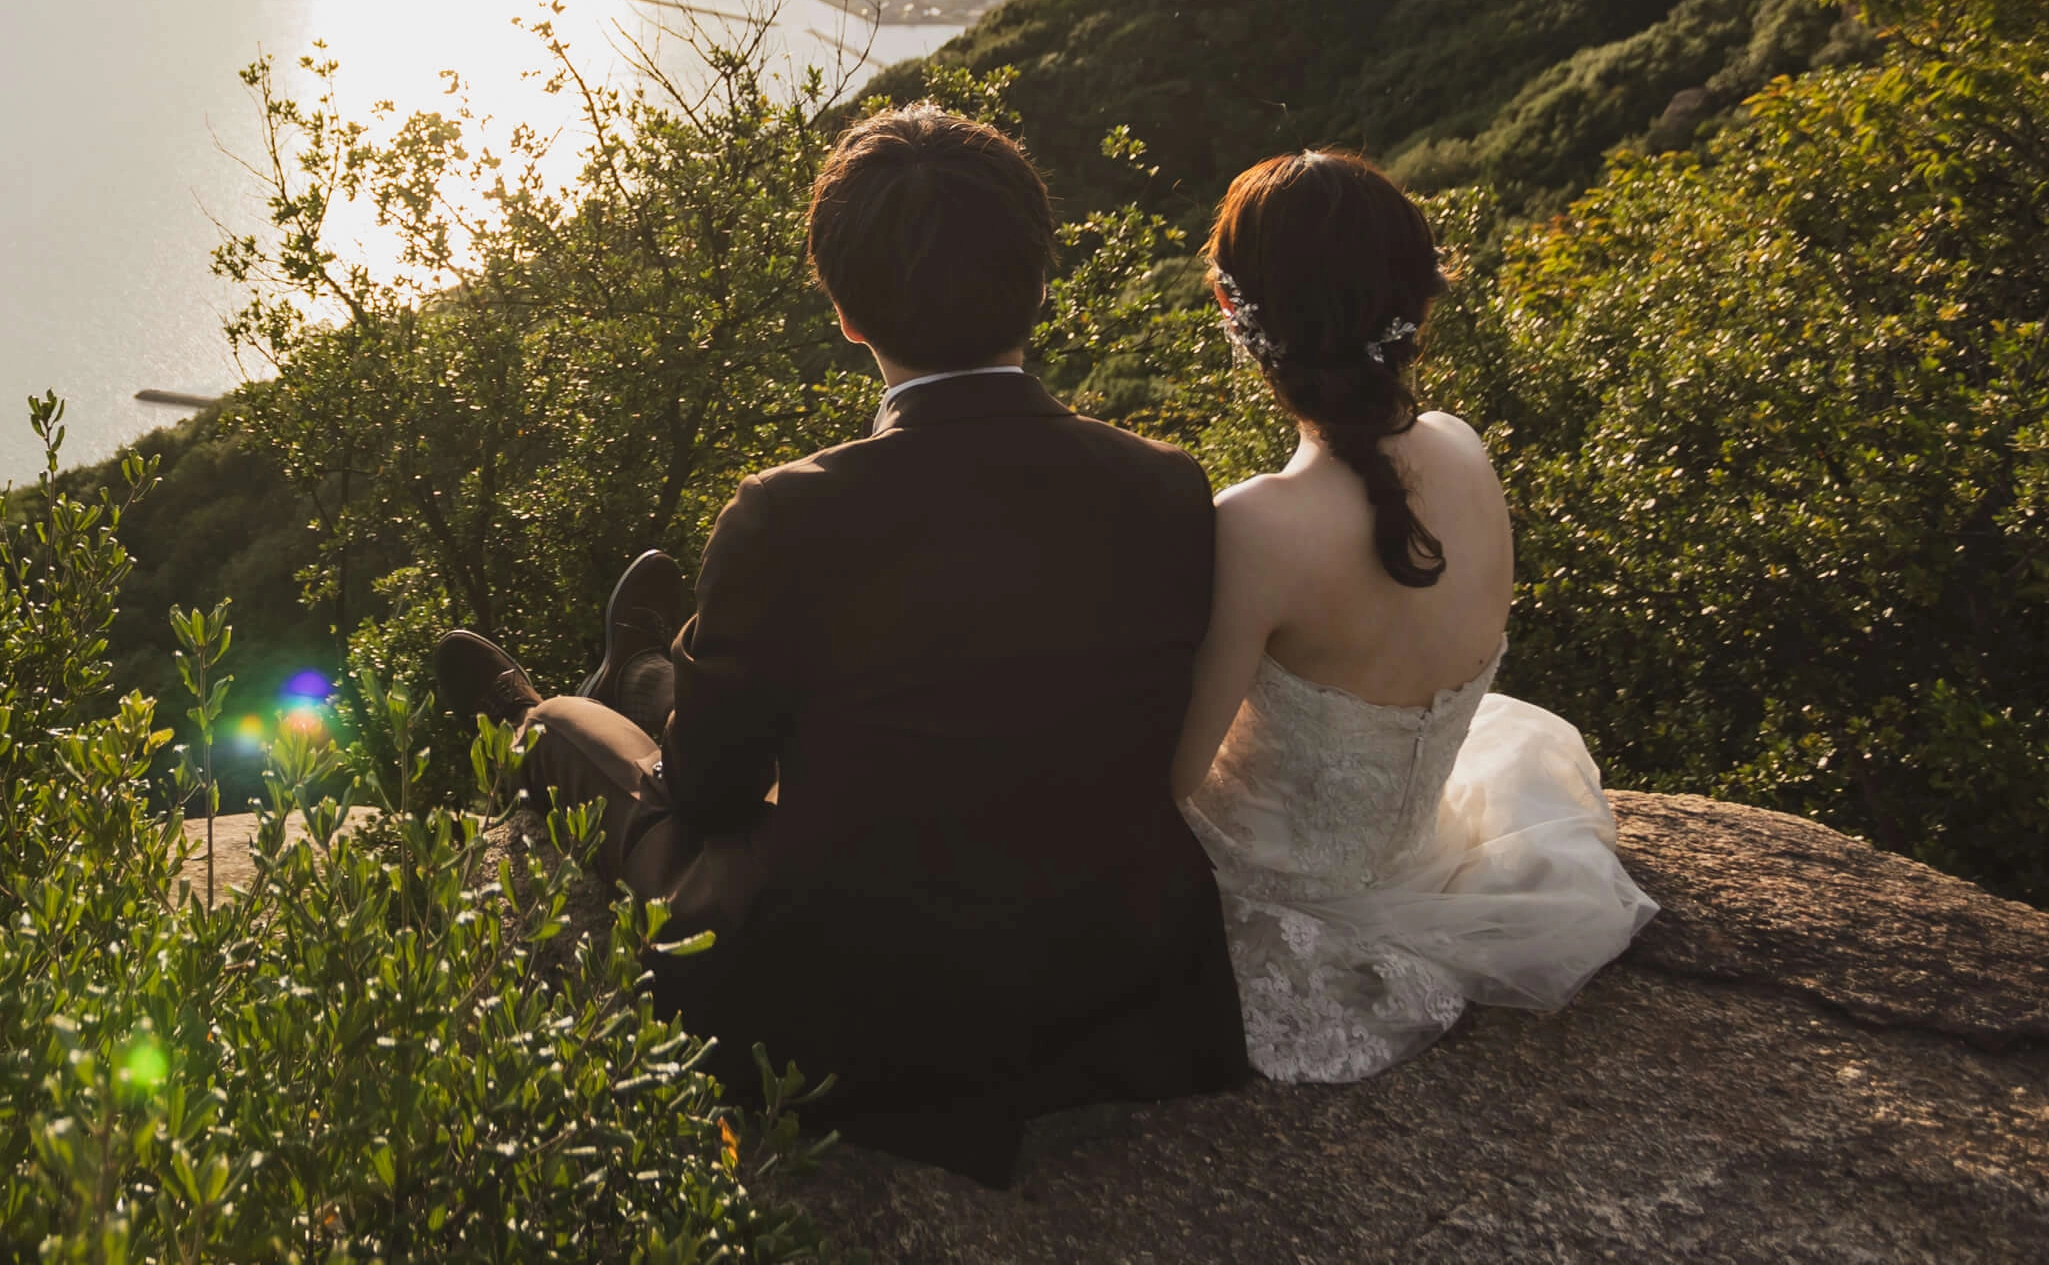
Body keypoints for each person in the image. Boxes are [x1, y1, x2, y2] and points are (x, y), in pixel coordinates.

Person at [432, 104, 1248, 1180]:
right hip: (1113, 978)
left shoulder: (788, 511)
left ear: (844, 312)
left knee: (579, 741)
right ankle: (644, 665)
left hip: (858, 1009)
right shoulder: (1166, 485)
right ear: (1039, 282)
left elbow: (710, 793)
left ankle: (547, 704)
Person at [1170, 149, 1655, 1084]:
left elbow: (1176, 776)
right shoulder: (1465, 454)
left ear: (1236, 314)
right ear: (1418, 303)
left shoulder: (1255, 525)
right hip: (1423, 858)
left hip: (1276, 898)